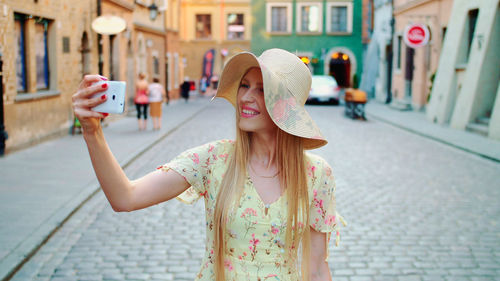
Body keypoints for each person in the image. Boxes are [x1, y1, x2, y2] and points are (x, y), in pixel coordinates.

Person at [72, 48, 344, 281]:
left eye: (262, 90)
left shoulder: (316, 174)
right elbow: (125, 197)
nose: (246, 97)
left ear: (286, 108)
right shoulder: (213, 159)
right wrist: (91, 131)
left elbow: (317, 269)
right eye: (245, 85)